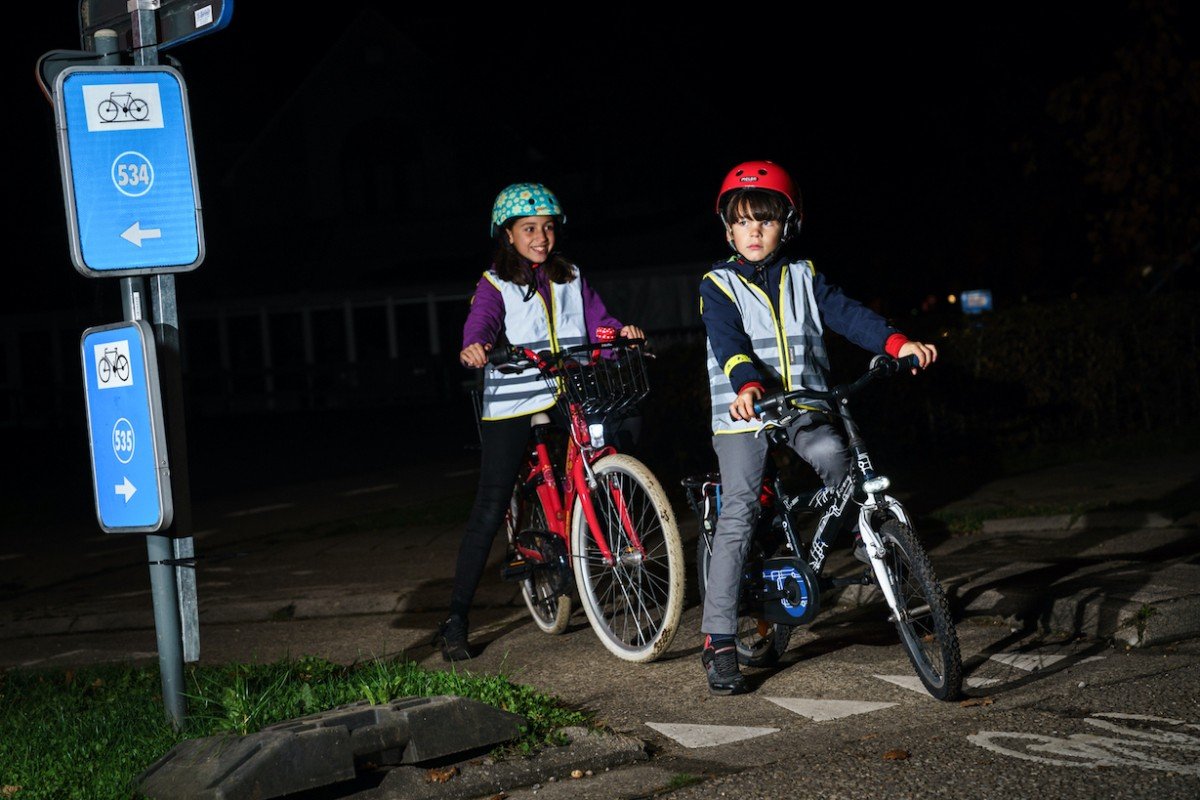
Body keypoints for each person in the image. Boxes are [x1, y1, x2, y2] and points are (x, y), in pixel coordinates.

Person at [697, 160, 937, 694]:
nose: (754, 231)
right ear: (728, 228)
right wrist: (746, 386)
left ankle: (860, 530)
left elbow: (850, 316)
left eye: (767, 219)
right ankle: (716, 640)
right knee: (738, 509)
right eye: (743, 220)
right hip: (745, 412)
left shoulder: (804, 276)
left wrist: (898, 343)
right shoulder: (717, 284)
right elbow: (727, 342)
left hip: (804, 403)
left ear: (789, 224)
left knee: (835, 454)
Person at [436, 182, 644, 661]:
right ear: (508, 235)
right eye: (529, 229)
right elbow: (483, 322)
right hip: (514, 399)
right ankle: (456, 618)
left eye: (548, 228)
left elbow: (600, 324)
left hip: (570, 388)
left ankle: (584, 541)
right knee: (491, 503)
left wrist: (619, 336)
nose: (541, 237)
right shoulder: (495, 283)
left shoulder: (571, 276)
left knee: (608, 448)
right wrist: (478, 346)